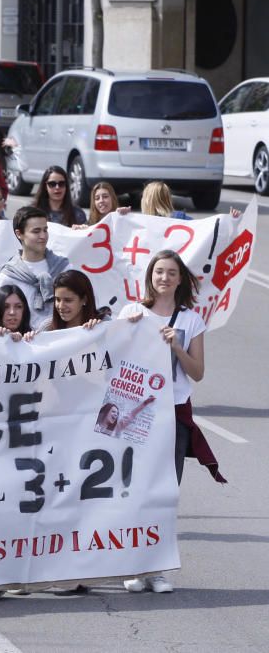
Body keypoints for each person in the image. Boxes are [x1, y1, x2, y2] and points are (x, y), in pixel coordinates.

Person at [118, 250, 226, 593]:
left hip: (174, 415)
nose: (163, 278)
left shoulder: (191, 320)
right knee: (135, 491)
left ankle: (158, 569)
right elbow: (113, 360)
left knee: (165, 492)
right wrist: (126, 333)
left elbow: (198, 372)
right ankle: (136, 565)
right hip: (136, 414)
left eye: (171, 273)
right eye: (158, 271)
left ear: (181, 280)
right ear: (150, 275)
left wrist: (178, 347)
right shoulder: (132, 312)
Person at [0, 206, 69, 327]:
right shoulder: (8, 277)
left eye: (45, 230)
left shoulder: (64, 268)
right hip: (23, 342)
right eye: (36, 231)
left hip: (60, 339)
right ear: (19, 234)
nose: (43, 236)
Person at [37, 270, 107, 332]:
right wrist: (31, 339)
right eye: (58, 299)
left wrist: (100, 330)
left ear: (84, 299)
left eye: (68, 300)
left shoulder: (104, 322)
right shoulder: (47, 328)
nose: (61, 306)